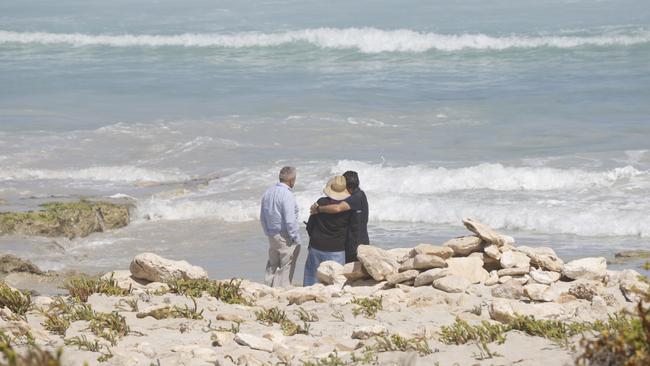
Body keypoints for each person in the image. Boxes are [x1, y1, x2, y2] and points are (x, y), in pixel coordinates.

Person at [310, 171, 369, 263]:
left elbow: (337, 208)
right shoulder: (361, 194)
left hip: (354, 245)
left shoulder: (354, 198)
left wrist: (318, 209)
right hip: (361, 242)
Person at [303, 175, 351, 286]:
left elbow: (310, 225)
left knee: (311, 280)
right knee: (336, 283)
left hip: (316, 245)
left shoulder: (321, 202)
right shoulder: (347, 208)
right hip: (336, 249)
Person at [260, 166, 301, 288]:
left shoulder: (267, 192)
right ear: (291, 180)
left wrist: (267, 232)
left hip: (272, 234)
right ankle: (282, 289)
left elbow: (262, 216)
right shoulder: (287, 194)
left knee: (272, 264)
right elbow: (290, 220)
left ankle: (267, 288)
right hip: (284, 235)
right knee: (286, 264)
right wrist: (295, 237)